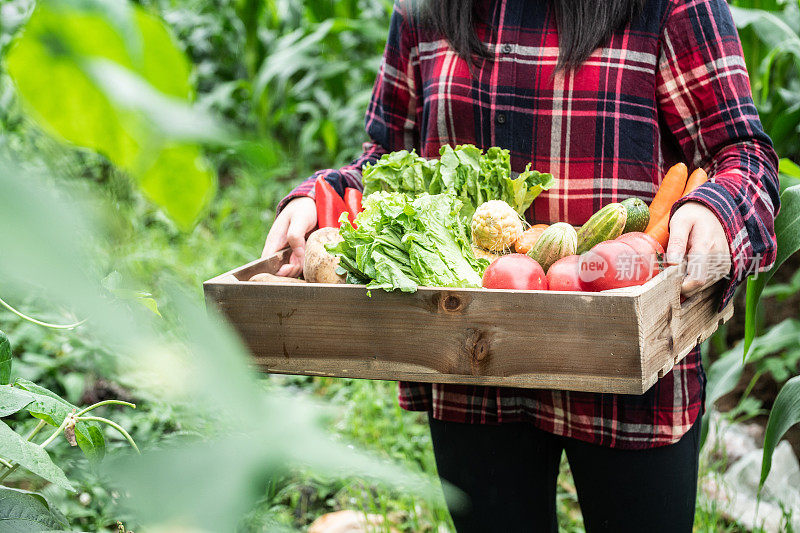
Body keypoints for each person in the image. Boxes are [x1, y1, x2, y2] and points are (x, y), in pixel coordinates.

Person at [262, 0, 780, 530]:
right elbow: (387, 160)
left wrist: (715, 207)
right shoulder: (425, 10)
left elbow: (744, 156)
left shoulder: (670, 6)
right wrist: (319, 197)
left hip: (626, 359)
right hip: (466, 355)